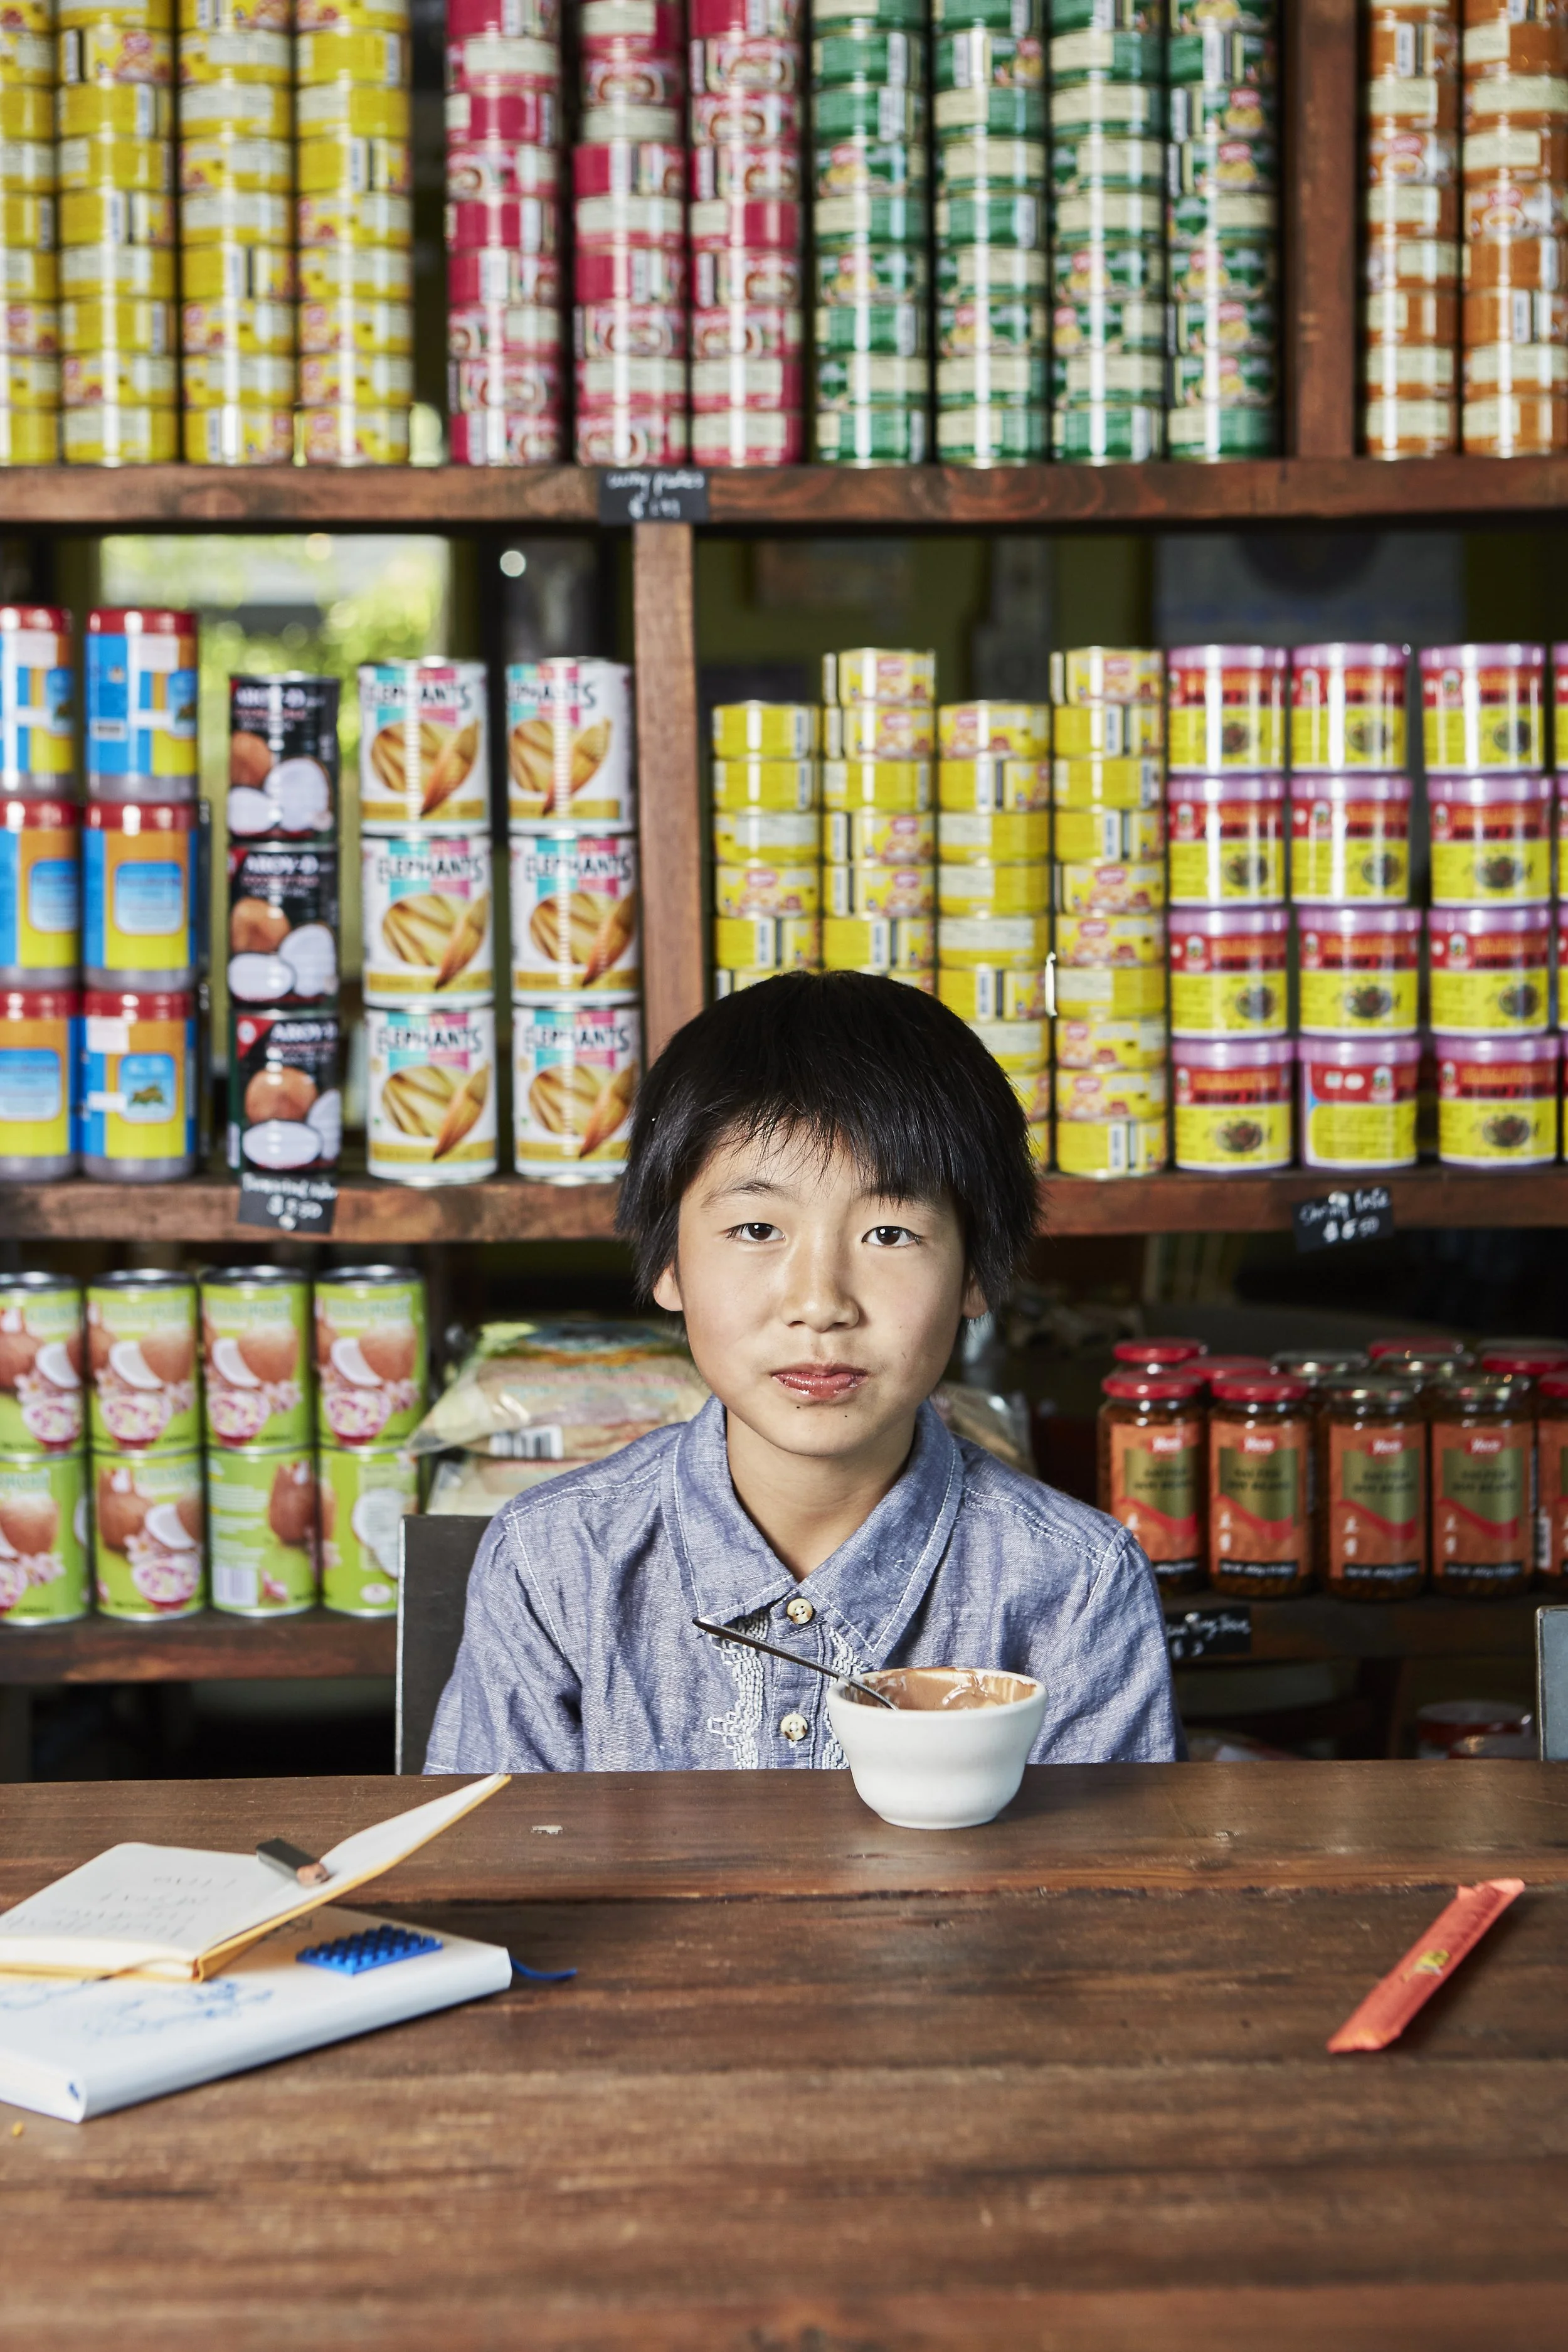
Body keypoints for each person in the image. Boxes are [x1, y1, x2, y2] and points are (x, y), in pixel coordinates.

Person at [426, 971, 1180, 1771]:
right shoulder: (554, 1559)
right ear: (668, 1263)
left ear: (975, 1276)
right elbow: (487, 1884)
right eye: (756, 1227)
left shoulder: (1076, 1583)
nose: (820, 1304)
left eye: (889, 1234)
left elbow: (1089, 1894)